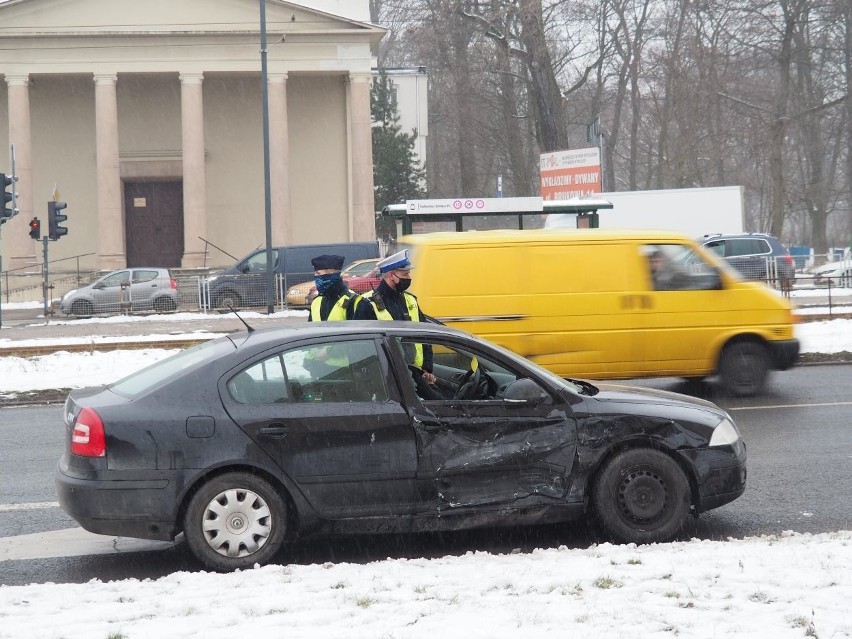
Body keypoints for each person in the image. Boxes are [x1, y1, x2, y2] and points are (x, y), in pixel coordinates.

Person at [352, 249, 440, 397]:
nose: (409, 278)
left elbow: (425, 336)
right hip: (387, 382)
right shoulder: (367, 304)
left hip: (415, 376)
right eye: (405, 275)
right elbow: (359, 349)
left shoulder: (410, 300)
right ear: (391, 275)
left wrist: (427, 369)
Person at [308, 254, 356, 321]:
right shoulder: (317, 302)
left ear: (331, 275)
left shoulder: (352, 300)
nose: (316, 277)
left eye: (318, 273)